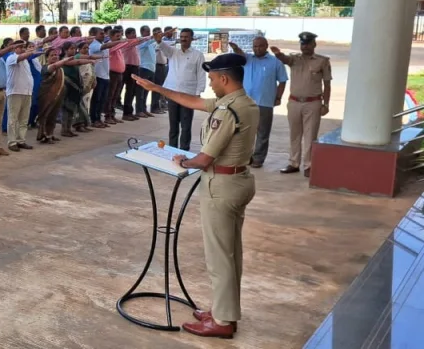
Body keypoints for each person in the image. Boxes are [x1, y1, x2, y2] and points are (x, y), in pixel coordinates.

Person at [132, 53, 259, 339]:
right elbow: (192, 101)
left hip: (222, 186)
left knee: (219, 257)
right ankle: (223, 311)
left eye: (212, 79)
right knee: (231, 253)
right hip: (239, 181)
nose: (210, 84)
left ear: (224, 78)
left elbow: (203, 159)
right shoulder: (243, 103)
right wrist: (157, 88)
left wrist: (182, 161)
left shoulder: (228, 112)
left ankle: (222, 322)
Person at [273, 32, 331, 177]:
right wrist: (278, 54)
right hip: (294, 102)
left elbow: (327, 84)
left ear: (314, 44)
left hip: (313, 103)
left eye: (308, 44)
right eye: (302, 44)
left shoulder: (322, 61)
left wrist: (326, 104)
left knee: (310, 136)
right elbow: (285, 59)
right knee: (294, 134)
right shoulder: (294, 59)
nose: (305, 47)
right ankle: (294, 163)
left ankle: (309, 165)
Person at [229, 37, 288, 168]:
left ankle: (258, 159)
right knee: (243, 131)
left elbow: (282, 81)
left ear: (266, 46)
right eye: (255, 46)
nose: (257, 49)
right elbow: (239, 53)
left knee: (262, 133)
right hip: (245, 102)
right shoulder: (247, 59)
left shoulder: (276, 62)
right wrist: (235, 48)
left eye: (260, 46)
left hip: (265, 102)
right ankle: (243, 157)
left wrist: (278, 97)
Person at [160, 28, 207, 151]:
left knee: (186, 126)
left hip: (188, 95)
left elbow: (201, 74)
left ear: (192, 38)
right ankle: (172, 150)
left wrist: (198, 93)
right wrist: (159, 39)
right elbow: (161, 45)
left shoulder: (197, 55)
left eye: (186, 37)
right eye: (181, 37)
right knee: (173, 125)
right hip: (173, 93)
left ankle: (184, 151)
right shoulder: (173, 52)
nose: (183, 39)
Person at [35, 48, 95, 143]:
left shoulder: (60, 68)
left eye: (56, 55)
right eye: (52, 55)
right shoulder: (46, 67)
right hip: (47, 97)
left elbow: (77, 61)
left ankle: (50, 134)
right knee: (46, 116)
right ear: (47, 58)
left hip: (58, 96)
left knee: (53, 116)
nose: (54, 56)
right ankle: (44, 136)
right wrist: (64, 61)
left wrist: (91, 60)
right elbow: (54, 66)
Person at [6, 40, 40, 151]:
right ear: (14, 48)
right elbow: (21, 57)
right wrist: (31, 52)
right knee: (13, 119)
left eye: (23, 47)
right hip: (15, 92)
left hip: (27, 92)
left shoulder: (25, 60)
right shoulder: (11, 57)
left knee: (24, 119)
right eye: (20, 47)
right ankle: (12, 142)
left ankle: (21, 140)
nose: (22, 49)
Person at [88, 27, 110, 128]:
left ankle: (98, 118)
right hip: (98, 75)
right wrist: (119, 42)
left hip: (105, 75)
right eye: (101, 34)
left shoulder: (102, 43)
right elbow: (106, 46)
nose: (103, 35)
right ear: (94, 35)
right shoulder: (93, 45)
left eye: (104, 33)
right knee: (96, 99)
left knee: (102, 99)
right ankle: (94, 119)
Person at [151, 27, 169, 114]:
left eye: (161, 32)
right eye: (158, 33)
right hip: (157, 66)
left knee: (162, 87)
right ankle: (154, 107)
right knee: (157, 87)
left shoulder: (163, 43)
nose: (160, 34)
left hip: (163, 66)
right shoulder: (153, 43)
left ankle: (160, 105)